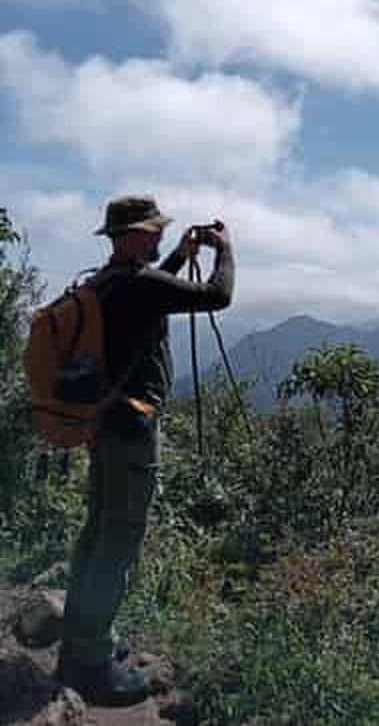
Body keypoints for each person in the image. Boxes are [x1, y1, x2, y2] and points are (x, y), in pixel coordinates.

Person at [55, 195, 235, 707]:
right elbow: (218, 296)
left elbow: (154, 296)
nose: (158, 238)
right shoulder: (139, 285)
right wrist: (225, 250)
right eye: (153, 232)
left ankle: (81, 641)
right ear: (133, 234)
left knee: (98, 531)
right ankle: (90, 663)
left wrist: (178, 254)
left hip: (101, 425)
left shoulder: (106, 281)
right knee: (119, 541)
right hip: (132, 428)